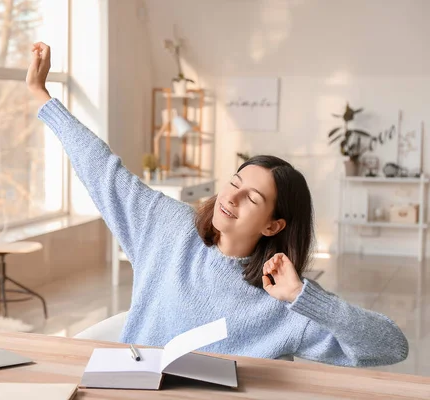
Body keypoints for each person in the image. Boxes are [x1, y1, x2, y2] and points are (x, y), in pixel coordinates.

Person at [26, 42, 408, 367]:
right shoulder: (167, 228)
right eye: (235, 183)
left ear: (273, 225)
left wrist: (303, 298)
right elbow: (102, 168)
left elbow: (392, 346)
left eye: (252, 198)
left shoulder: (283, 299)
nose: (232, 197)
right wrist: (43, 97)